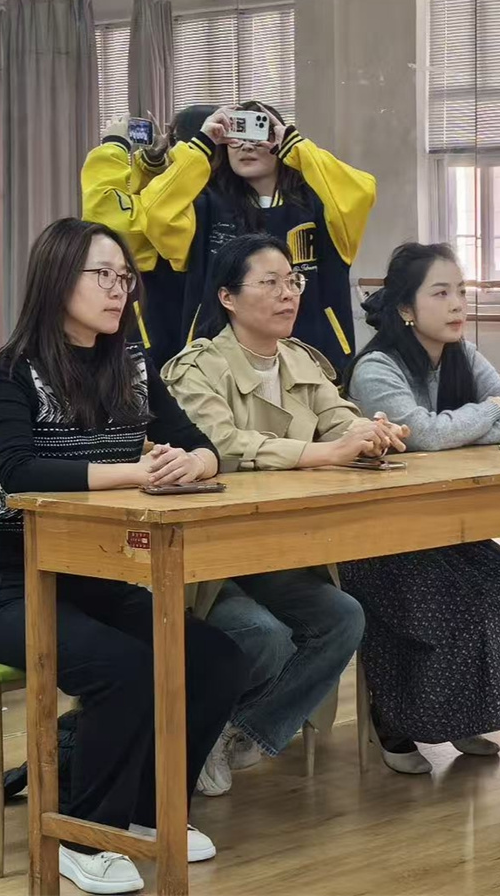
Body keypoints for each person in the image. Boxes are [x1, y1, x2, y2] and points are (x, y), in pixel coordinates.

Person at [0, 217, 243, 895]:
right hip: (19, 589)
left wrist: (194, 462)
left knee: (215, 659)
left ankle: (150, 812)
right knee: (126, 668)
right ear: (57, 277)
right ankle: (82, 833)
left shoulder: (133, 365)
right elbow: (18, 470)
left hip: (105, 582)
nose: (119, 289)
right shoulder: (13, 368)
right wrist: (136, 473)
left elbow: (203, 443)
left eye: (125, 277)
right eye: (104, 275)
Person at [161, 233, 397, 796]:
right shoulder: (197, 367)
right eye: (269, 283)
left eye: (293, 281)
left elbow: (339, 417)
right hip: (211, 558)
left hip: (280, 547)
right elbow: (221, 446)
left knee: (343, 617)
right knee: (262, 633)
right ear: (227, 297)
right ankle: (201, 731)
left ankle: (237, 731)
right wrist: (324, 453)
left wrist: (372, 432)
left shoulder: (299, 358)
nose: (288, 294)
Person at [343, 242, 500, 774]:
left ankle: (464, 712)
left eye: (462, 292)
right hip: (380, 537)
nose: (457, 305)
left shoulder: (464, 356)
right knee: (452, 612)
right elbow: (420, 436)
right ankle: (394, 722)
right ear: (406, 308)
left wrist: (462, 424)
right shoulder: (376, 368)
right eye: (441, 293)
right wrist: (489, 411)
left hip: (446, 529)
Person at [140, 101, 374, 372]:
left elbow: (361, 191)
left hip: (314, 365)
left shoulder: (319, 207)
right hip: (219, 371)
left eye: (258, 133)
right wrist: (203, 144)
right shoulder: (205, 208)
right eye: (236, 136)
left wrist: (296, 147)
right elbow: (155, 212)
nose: (246, 146)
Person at [80, 106, 215, 369]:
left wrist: (113, 146)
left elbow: (112, 220)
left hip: (153, 341)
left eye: (172, 139)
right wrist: (153, 165)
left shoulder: (191, 204)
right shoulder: (221, 199)